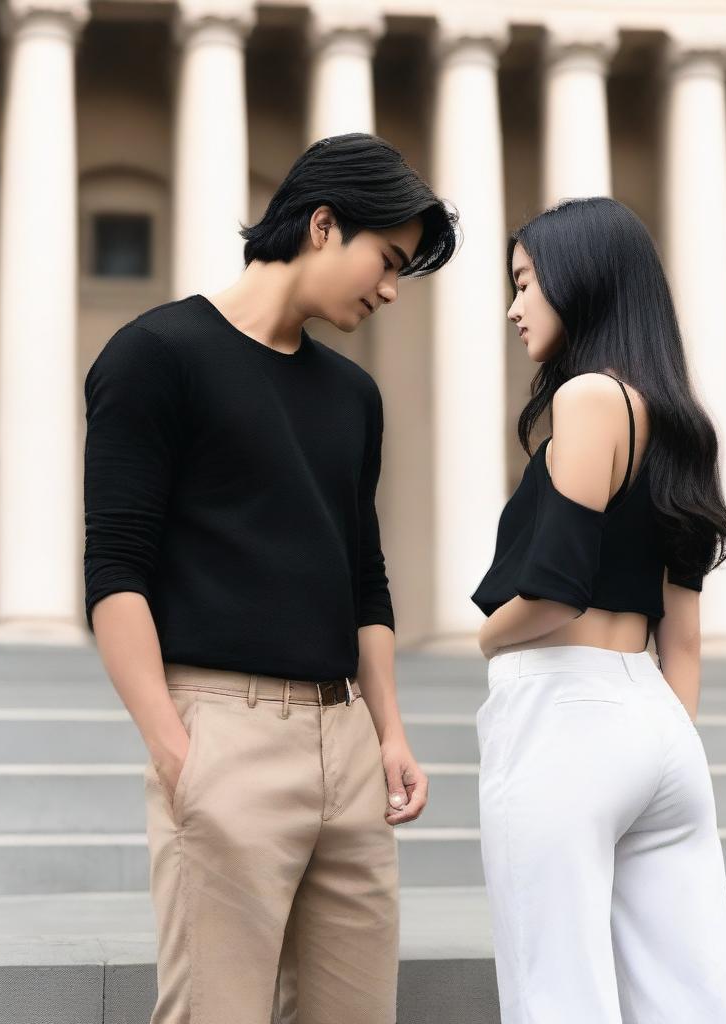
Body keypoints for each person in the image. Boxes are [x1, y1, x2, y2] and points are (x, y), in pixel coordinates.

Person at [83, 133, 456, 1024]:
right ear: (324, 225)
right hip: (223, 732)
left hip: (348, 743)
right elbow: (114, 573)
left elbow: (364, 575)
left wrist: (390, 732)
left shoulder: (353, 397)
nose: (392, 289)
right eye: (389, 260)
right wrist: (181, 756)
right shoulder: (155, 354)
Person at [470, 197, 726, 1023]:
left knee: (556, 995)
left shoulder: (589, 397)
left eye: (526, 283)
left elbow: (555, 591)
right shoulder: (679, 422)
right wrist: (657, 742)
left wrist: (484, 639)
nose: (514, 306)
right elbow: (686, 638)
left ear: (579, 281)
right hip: (659, 730)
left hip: (565, 716)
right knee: (692, 1000)